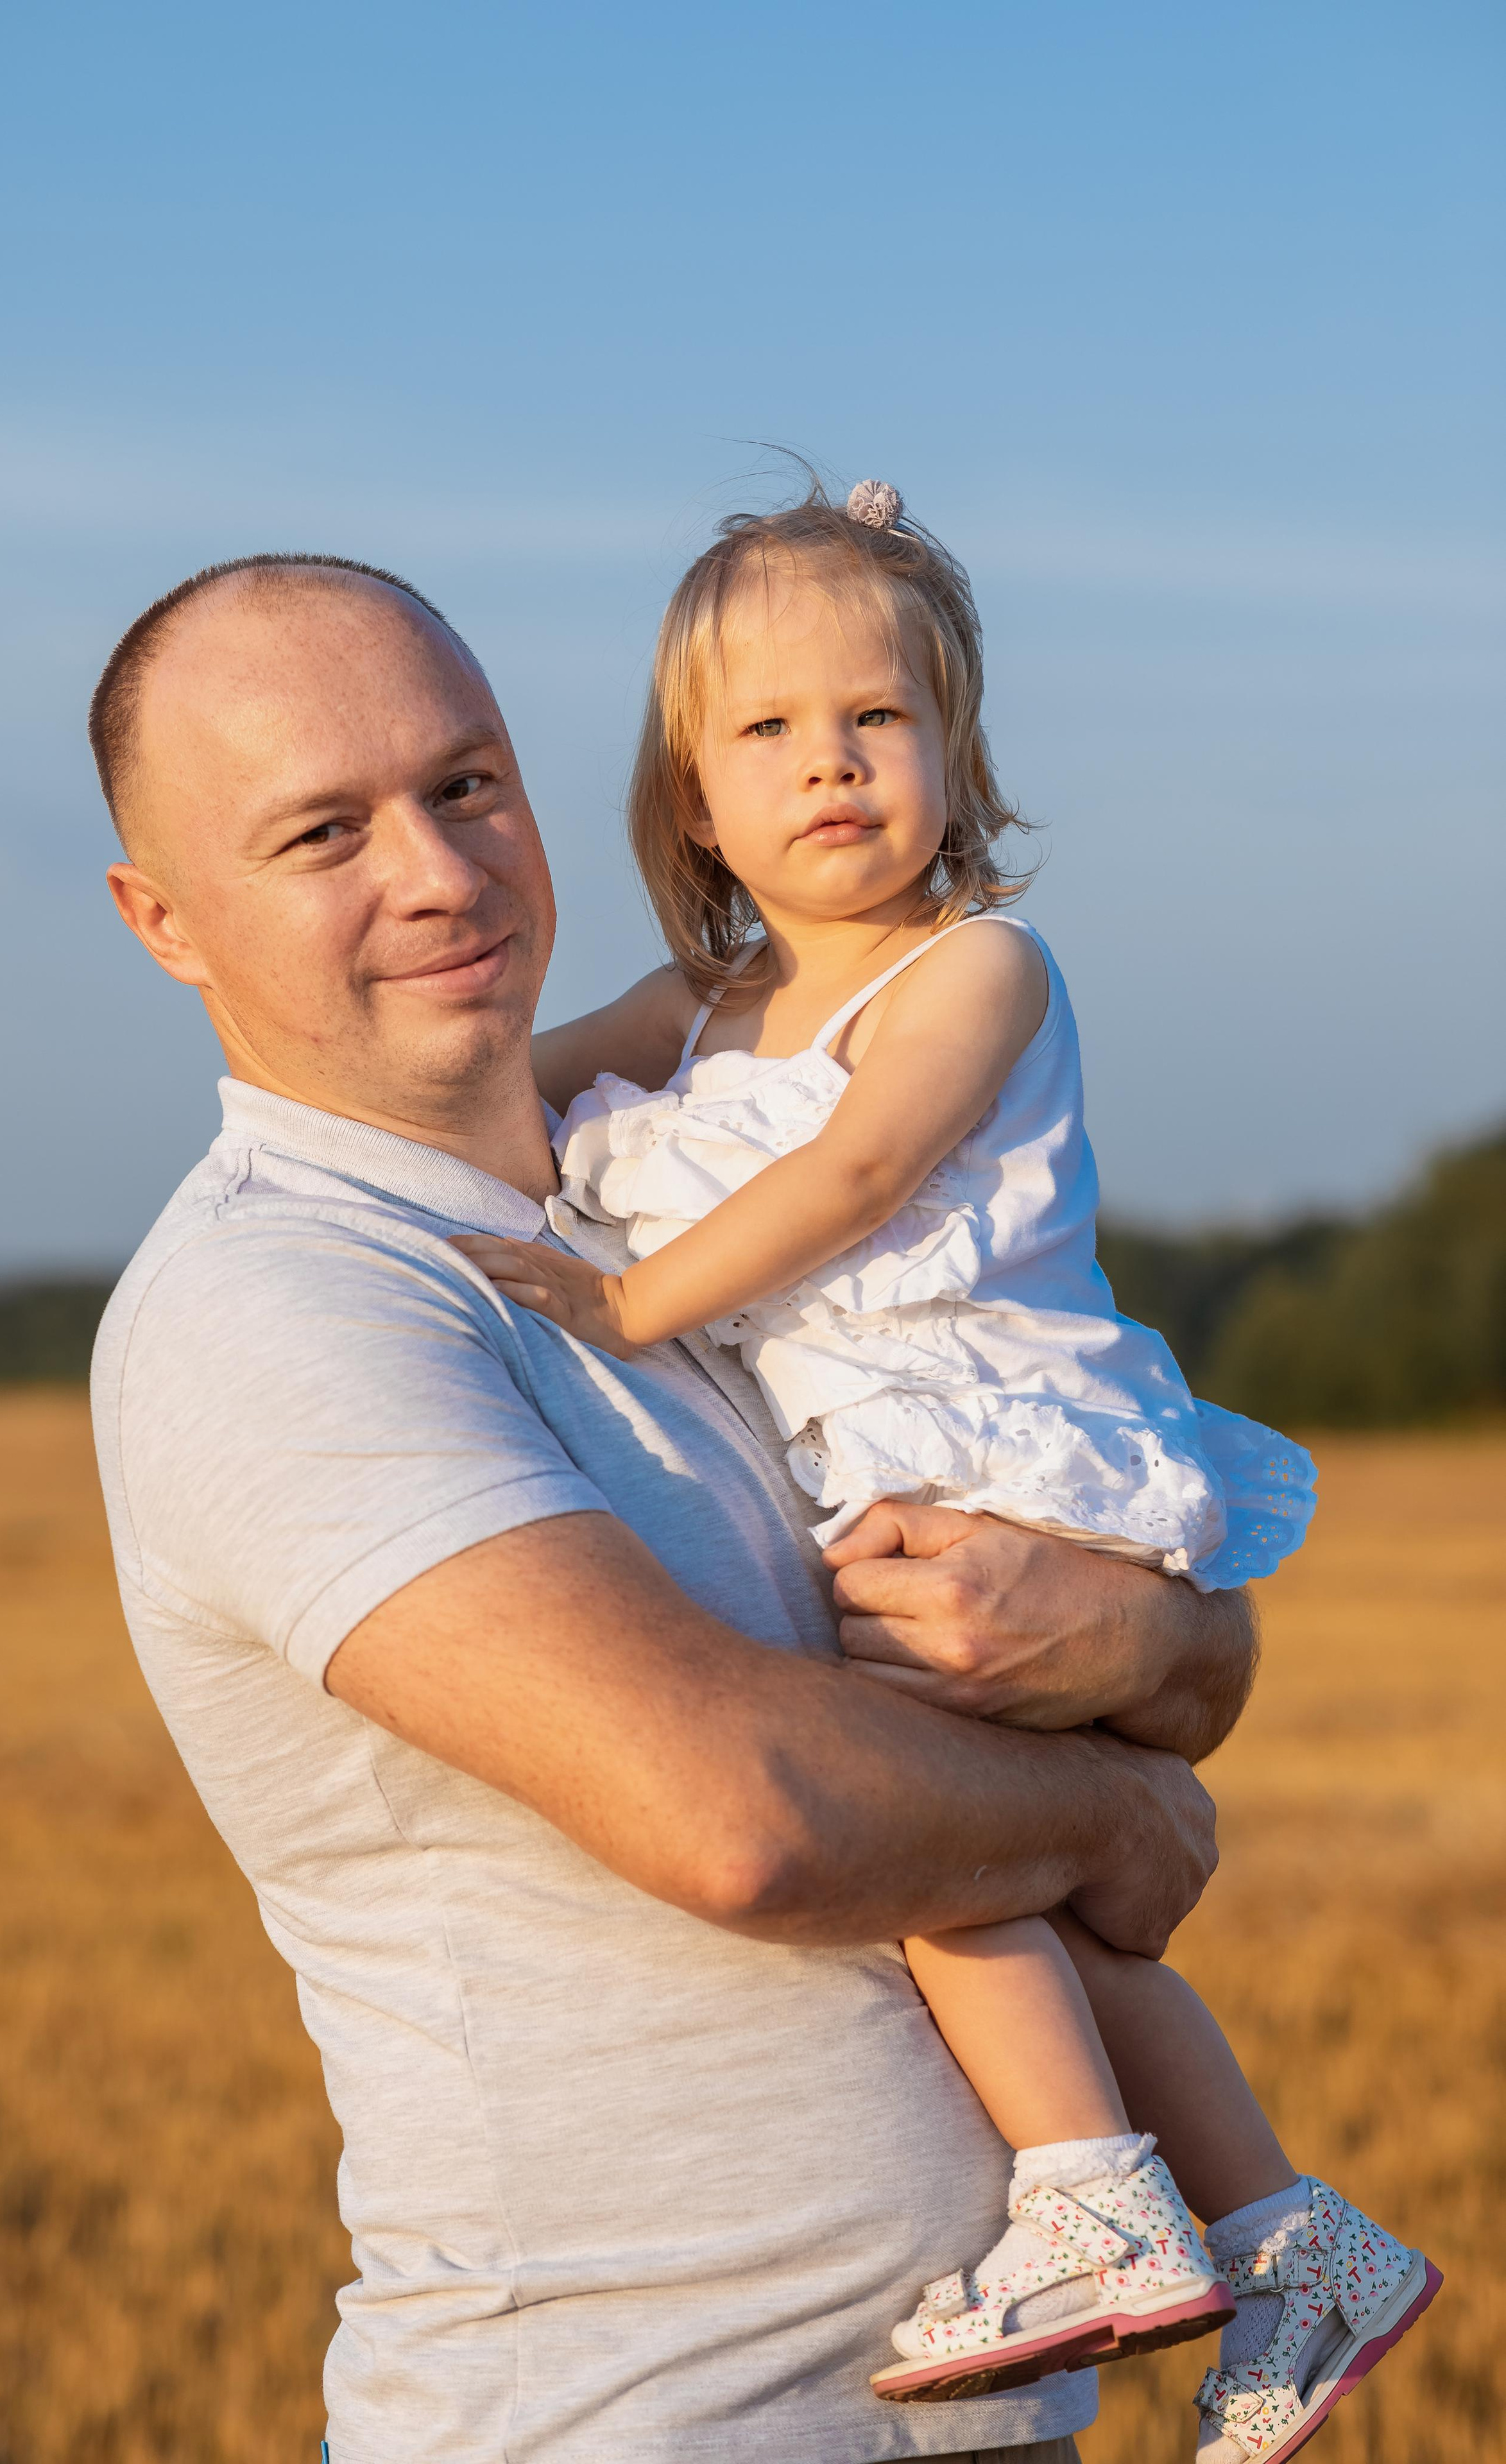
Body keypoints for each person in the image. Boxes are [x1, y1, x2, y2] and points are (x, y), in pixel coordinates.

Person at [87, 545, 1244, 2464]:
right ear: (164, 919)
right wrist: (1114, 1812)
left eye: (466, 783)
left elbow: (1107, 1612)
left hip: (962, 2417)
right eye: (322, 834)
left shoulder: (671, 1220)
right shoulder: (283, 1301)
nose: (439, 873)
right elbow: (745, 1817)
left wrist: (1155, 1640)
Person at [454, 483, 1439, 2461]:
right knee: (1047, 1906)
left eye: (876, 718)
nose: (829, 762)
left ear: (954, 754)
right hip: (896, 1466)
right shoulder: (699, 1007)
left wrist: (628, 1305)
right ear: (694, 799)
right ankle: (1290, 2235)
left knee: (923, 1840)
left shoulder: (974, 973)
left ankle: (1091, 2204)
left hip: (991, 1454)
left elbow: (859, 1169)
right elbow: (498, 1088)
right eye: (768, 729)